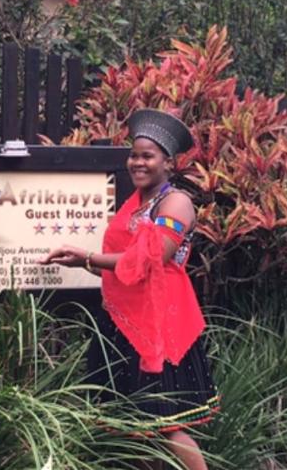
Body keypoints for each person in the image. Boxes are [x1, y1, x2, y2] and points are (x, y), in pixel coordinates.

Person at [41, 108, 218, 470]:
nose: (137, 162)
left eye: (147, 156)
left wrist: (88, 257)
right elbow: (123, 262)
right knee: (136, 424)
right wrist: (86, 262)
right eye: (134, 155)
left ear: (168, 163)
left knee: (168, 424)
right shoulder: (135, 205)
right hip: (125, 321)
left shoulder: (176, 202)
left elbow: (154, 256)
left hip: (161, 325)